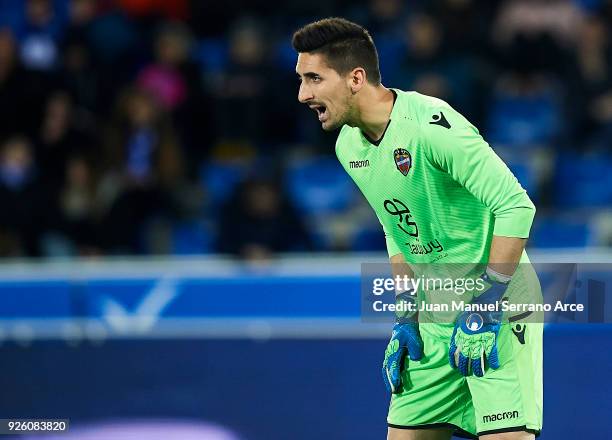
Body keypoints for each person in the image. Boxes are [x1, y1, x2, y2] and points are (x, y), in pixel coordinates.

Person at [292, 18, 542, 440]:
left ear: (356, 78)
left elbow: (516, 206)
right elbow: (397, 229)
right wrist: (406, 313)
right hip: (434, 309)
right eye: (301, 80)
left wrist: (486, 304)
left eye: (314, 78)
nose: (303, 94)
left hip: (498, 305)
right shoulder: (348, 146)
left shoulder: (432, 128)